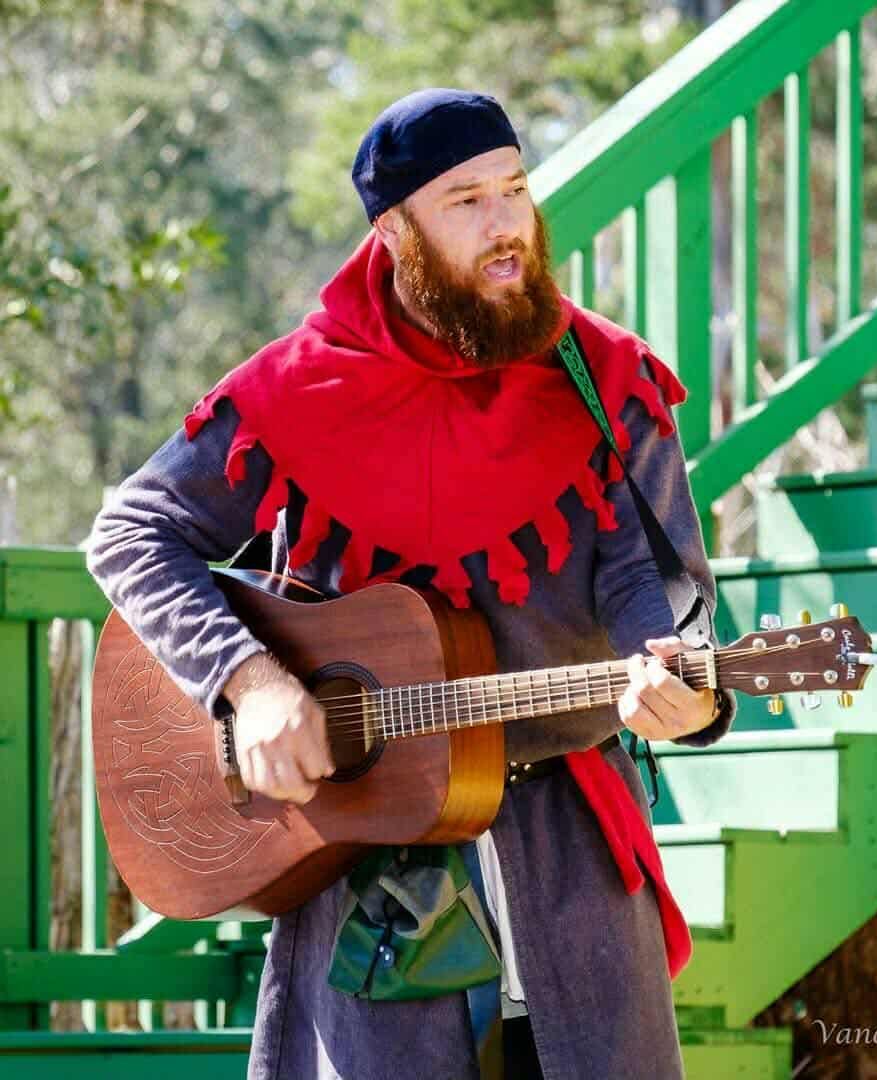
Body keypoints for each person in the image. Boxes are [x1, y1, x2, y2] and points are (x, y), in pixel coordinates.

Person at [87, 88, 735, 1080]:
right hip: (363, 865)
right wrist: (251, 683)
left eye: (515, 190)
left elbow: (660, 591)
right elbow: (133, 531)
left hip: (570, 858)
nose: (506, 225)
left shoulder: (606, 378)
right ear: (395, 230)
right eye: (466, 201)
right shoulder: (294, 390)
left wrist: (683, 692)